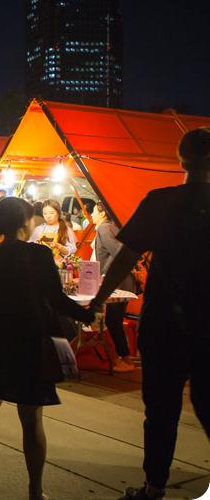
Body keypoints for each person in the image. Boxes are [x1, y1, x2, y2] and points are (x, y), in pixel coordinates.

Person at [89, 128, 210, 500]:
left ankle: (154, 486)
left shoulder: (160, 201)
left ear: (181, 159)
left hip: (164, 323)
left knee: (160, 409)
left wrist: (98, 299)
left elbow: (126, 256)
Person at [0, 197, 94, 500]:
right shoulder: (39, 254)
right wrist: (88, 314)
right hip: (32, 343)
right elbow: (56, 299)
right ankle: (35, 490)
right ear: (26, 222)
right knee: (32, 419)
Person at [90, 202, 135, 373]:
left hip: (118, 282)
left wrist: (106, 277)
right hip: (120, 281)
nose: (92, 214)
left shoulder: (104, 228)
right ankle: (123, 357)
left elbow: (119, 252)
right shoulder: (111, 227)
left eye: (94, 211)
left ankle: (126, 359)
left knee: (113, 320)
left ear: (102, 214)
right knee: (113, 319)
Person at [29, 199, 77, 265]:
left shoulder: (66, 229)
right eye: (45, 213)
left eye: (51, 213)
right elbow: (29, 245)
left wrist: (58, 246)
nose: (48, 216)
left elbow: (71, 250)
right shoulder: (38, 229)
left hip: (58, 266)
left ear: (58, 213)